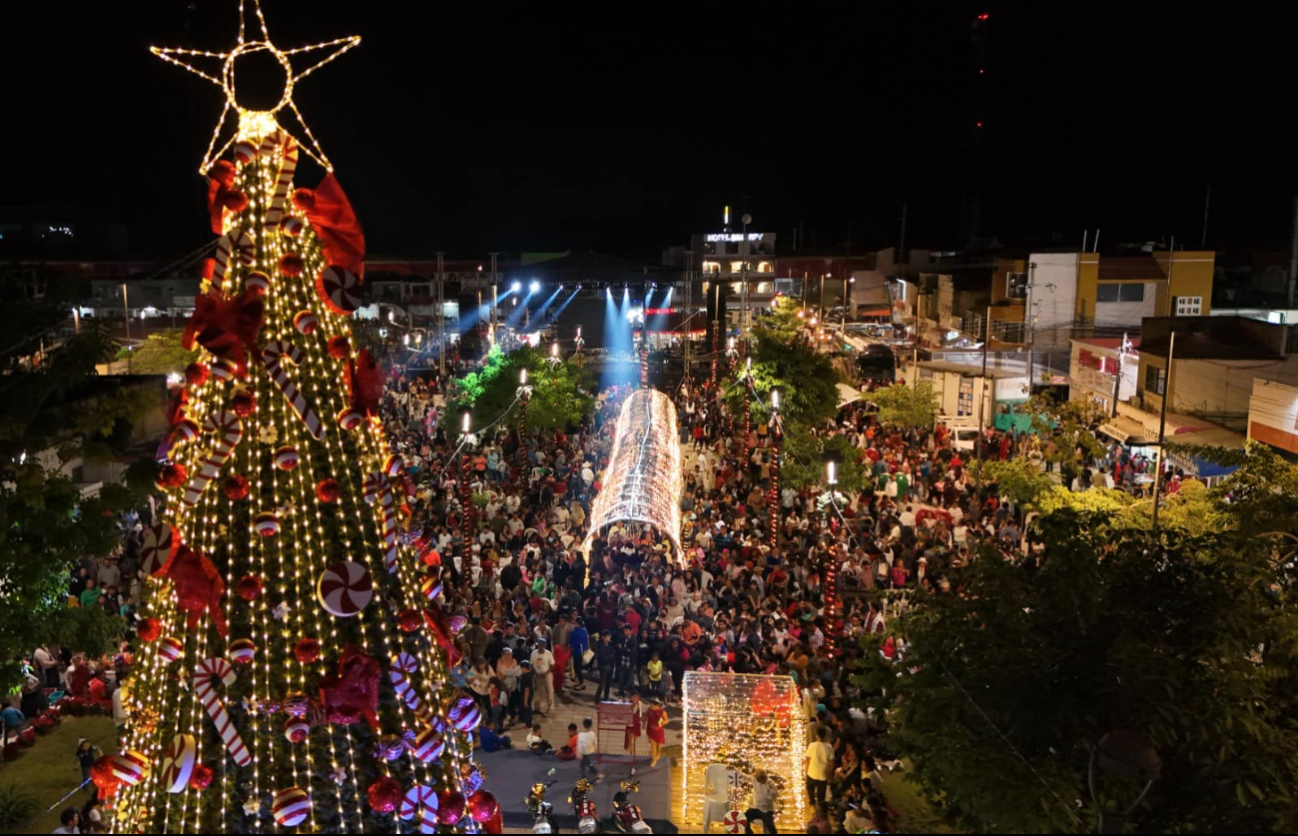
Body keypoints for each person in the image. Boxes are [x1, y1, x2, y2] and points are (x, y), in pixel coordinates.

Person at [804, 726, 833, 809]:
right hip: (823, 773)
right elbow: (831, 763)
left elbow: (807, 759)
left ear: (816, 735)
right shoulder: (829, 747)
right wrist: (830, 775)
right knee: (821, 793)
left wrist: (806, 770)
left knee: (810, 787)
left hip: (812, 771)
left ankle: (812, 803)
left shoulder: (812, 745)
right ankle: (820, 808)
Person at [743, 768, 778, 835]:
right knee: (743, 818)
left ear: (764, 777)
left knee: (769, 825)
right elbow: (745, 776)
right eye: (757, 779)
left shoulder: (770, 783)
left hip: (767, 810)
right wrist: (735, 769)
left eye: (759, 779)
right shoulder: (754, 779)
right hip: (756, 808)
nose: (758, 781)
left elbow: (775, 795)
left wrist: (768, 789)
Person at [530, 640, 555, 716]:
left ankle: (550, 708)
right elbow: (531, 664)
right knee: (537, 691)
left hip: (547, 675)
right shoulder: (534, 653)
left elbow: (552, 665)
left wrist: (546, 673)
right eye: (539, 645)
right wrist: (536, 673)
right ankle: (537, 708)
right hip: (537, 675)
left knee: (549, 691)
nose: (540, 647)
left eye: (542, 645)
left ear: (544, 646)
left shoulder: (548, 654)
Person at [645, 696, 668, 768]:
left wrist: (662, 722)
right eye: (650, 704)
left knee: (659, 745)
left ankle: (658, 753)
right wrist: (643, 723)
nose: (650, 705)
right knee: (653, 746)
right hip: (651, 729)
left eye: (652, 704)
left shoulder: (662, 712)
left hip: (659, 731)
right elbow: (644, 716)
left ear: (656, 704)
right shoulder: (648, 710)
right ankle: (654, 760)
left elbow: (667, 720)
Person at [594, 629, 617, 702]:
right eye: (607, 637)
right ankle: (597, 699)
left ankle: (606, 697)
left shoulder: (611, 644)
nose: (608, 638)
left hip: (610, 665)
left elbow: (613, 654)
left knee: (608, 683)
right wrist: (609, 656)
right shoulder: (599, 644)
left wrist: (610, 656)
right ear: (603, 637)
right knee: (602, 683)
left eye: (609, 636)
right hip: (603, 666)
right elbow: (602, 655)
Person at [569, 616, 590, 688]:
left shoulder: (581, 630)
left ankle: (581, 682)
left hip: (579, 652)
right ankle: (580, 681)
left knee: (577, 667)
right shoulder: (581, 629)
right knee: (577, 667)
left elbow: (577, 641)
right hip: (578, 651)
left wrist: (571, 646)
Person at [576, 717, 600, 782]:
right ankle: (592, 768)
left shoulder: (580, 735)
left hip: (583, 751)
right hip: (590, 750)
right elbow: (595, 742)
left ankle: (583, 776)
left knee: (582, 765)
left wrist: (578, 754)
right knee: (587, 760)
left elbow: (579, 746)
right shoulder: (592, 733)